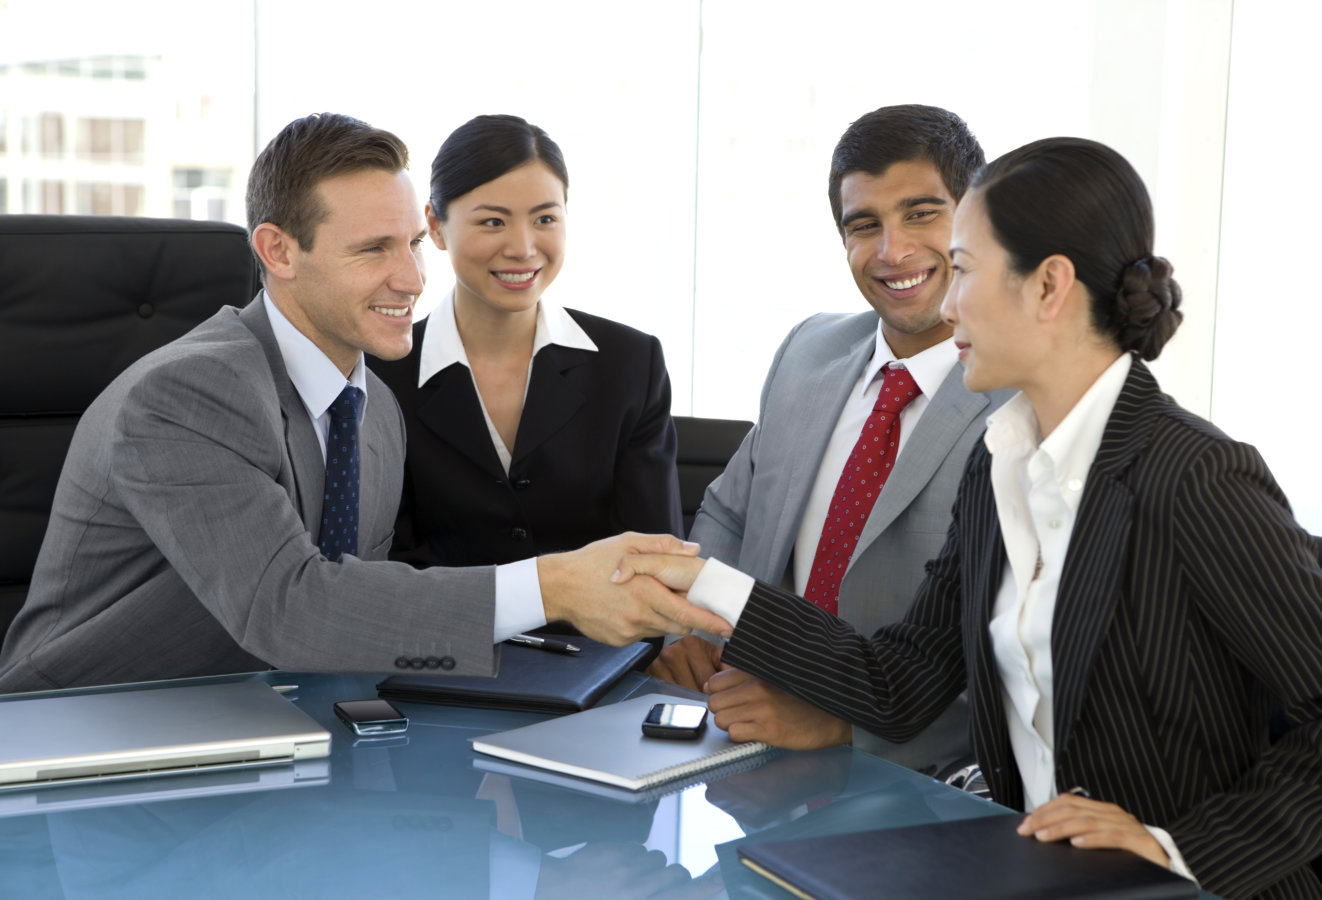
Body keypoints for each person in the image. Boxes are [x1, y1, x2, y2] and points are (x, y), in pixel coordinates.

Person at [619, 137, 1322, 899]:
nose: (946, 304)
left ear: (1049, 285)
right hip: (1035, 876)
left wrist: (1172, 848)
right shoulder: (1000, 464)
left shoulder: (1195, 475)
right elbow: (902, 680)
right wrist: (704, 584)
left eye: (965, 270)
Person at [0, 112, 727, 694]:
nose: (412, 279)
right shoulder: (192, 392)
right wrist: (555, 584)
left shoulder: (374, 409)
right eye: (374, 250)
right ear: (279, 253)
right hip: (90, 733)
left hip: (273, 717)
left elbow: (358, 610)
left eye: (413, 244)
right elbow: (290, 606)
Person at [647, 104, 1008, 775]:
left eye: (922, 213)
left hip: (914, 781)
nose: (892, 251)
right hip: (738, 746)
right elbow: (730, 511)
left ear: (974, 220)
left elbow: (1015, 650)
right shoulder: (808, 350)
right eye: (863, 225)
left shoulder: (1022, 402)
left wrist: (846, 726)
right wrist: (694, 632)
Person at [369, 115, 681, 569]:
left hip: (603, 639)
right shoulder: (381, 371)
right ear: (435, 226)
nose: (523, 247)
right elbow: (386, 565)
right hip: (437, 638)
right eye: (493, 221)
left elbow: (656, 556)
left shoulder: (631, 364)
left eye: (545, 219)